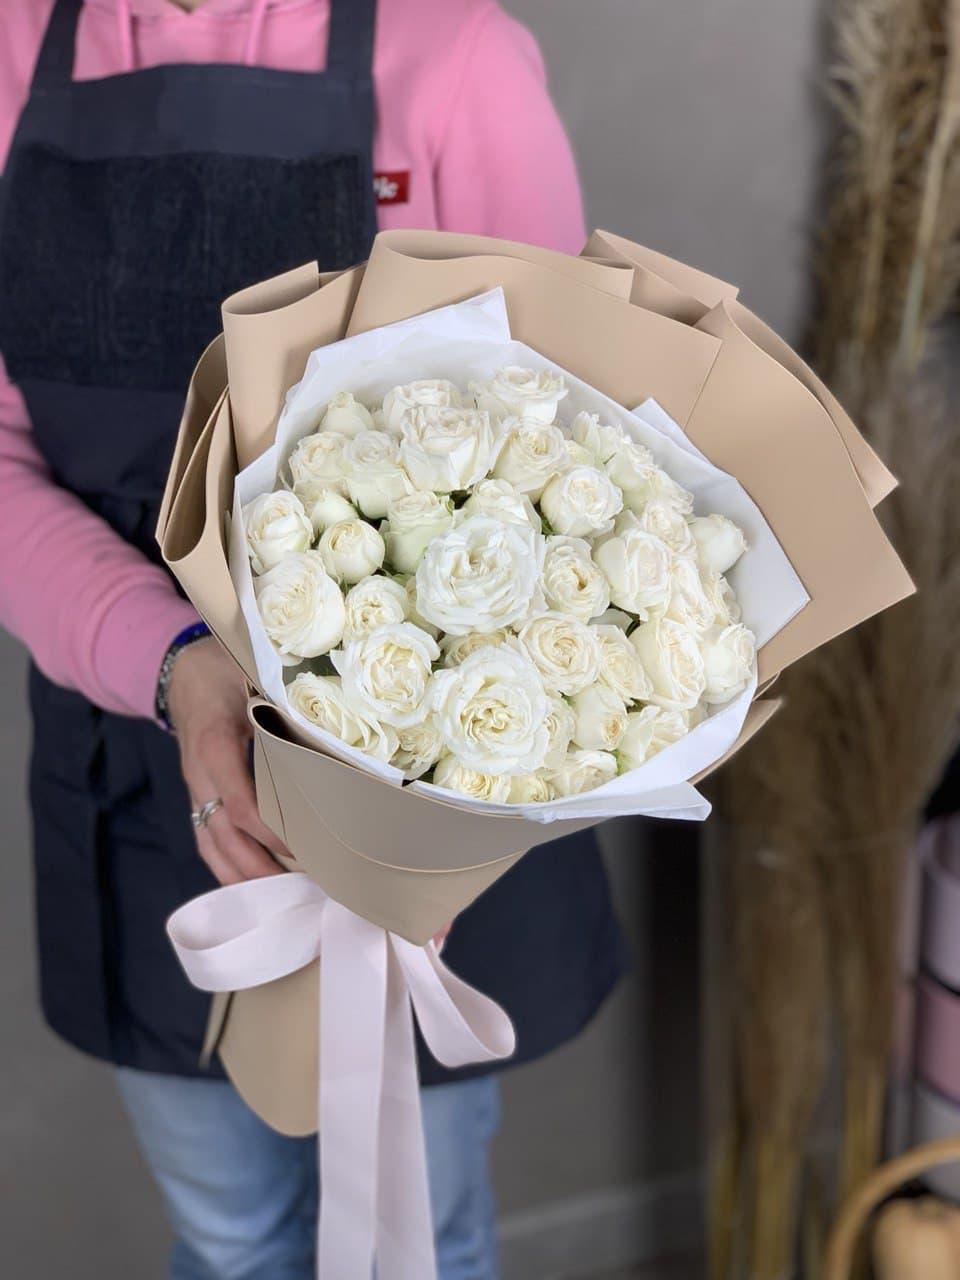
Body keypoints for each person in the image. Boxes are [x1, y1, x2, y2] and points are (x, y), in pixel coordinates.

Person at [0, 2, 627, 1277]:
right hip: (138, 763)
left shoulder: (452, 58)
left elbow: (559, 435)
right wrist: (178, 660)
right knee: (233, 1236)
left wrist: (399, 807)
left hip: (426, 763)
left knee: (418, 1238)